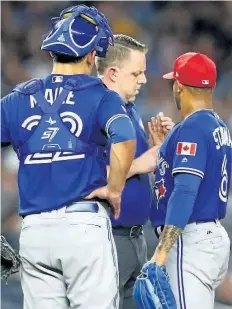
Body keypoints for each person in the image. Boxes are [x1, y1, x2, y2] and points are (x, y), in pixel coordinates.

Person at [1, 5, 137, 309]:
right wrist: (114, 189)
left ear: (53, 51)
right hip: (83, 227)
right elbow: (125, 140)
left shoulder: (16, 100)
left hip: (34, 232)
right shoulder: (101, 96)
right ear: (91, 55)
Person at [95, 34, 174, 309]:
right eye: (137, 73)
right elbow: (86, 176)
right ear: (113, 73)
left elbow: (135, 173)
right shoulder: (95, 111)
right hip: (107, 238)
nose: (143, 80)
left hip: (135, 238)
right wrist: (143, 162)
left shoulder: (128, 110)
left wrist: (156, 149)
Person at [147, 52, 231, 309]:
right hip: (210, 236)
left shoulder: (191, 129)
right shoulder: (218, 126)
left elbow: (185, 191)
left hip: (190, 240)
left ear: (179, 85)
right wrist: (164, 150)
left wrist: (160, 254)